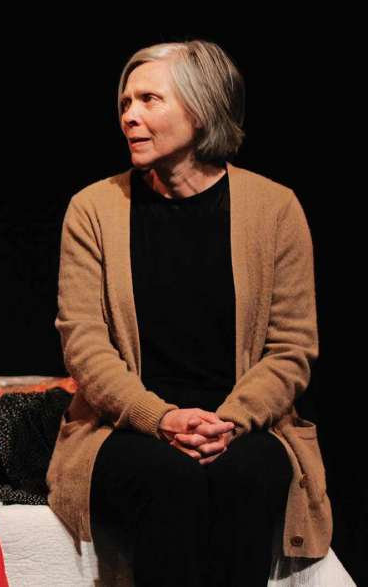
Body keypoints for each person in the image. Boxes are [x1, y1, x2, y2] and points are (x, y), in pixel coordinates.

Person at [45, 40, 332, 586]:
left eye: (149, 100)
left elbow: (292, 349)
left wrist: (230, 420)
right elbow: (83, 344)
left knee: (247, 475)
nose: (129, 116)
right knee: (169, 479)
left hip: (243, 424)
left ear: (201, 109)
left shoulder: (275, 208)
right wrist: (160, 418)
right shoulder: (94, 209)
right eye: (125, 103)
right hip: (125, 427)